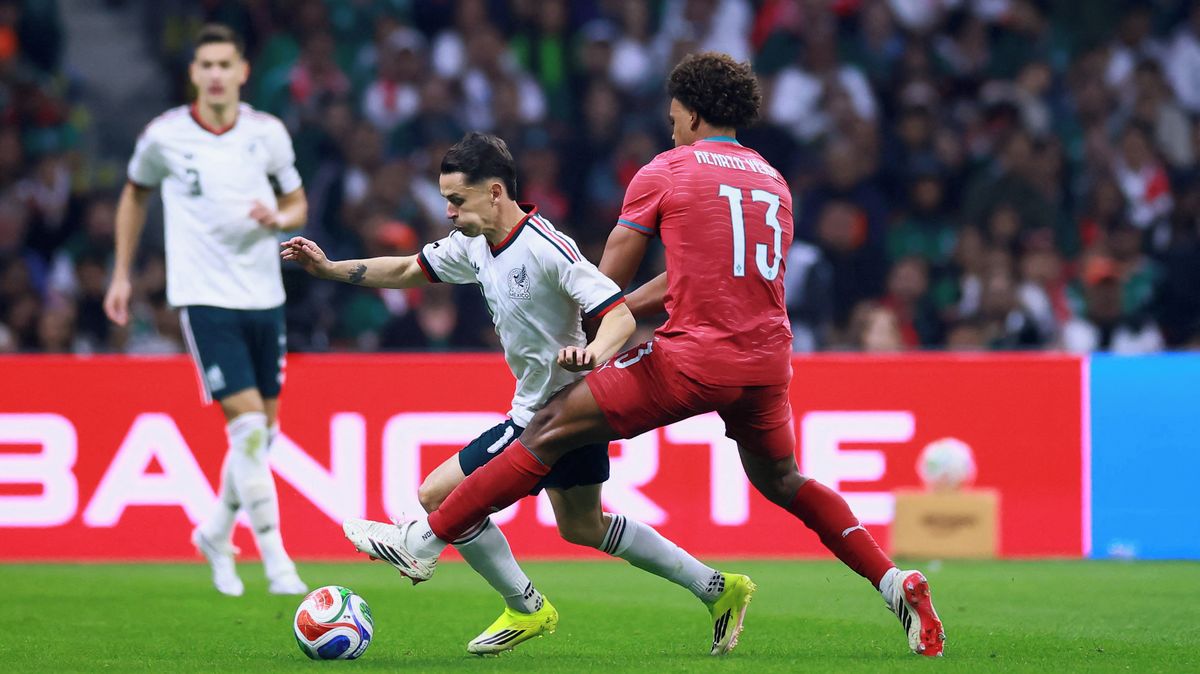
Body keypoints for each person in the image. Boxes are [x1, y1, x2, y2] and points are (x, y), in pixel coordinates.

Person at [340, 53, 946, 658]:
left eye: (674, 113)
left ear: (694, 110)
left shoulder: (666, 169)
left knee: (548, 424)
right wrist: (620, 306)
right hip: (766, 362)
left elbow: (609, 279)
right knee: (782, 480)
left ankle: (425, 539)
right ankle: (892, 581)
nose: (670, 124)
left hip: (693, 359)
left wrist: (593, 324)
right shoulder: (771, 179)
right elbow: (716, 277)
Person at [288, 132, 754, 656]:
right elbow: (405, 268)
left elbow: (618, 313)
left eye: (456, 199)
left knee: (437, 495)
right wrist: (330, 269)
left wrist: (594, 354)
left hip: (559, 411)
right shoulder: (473, 244)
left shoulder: (546, 248)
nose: (447, 211)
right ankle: (719, 589)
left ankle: (513, 599)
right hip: (554, 408)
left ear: (493, 192)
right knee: (583, 525)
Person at [103, 24, 307, 597]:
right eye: (206, 65)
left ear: (243, 72)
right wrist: (121, 273)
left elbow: (296, 201)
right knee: (245, 431)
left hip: (265, 297)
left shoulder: (267, 134)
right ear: (193, 73)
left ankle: (215, 532)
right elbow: (134, 194)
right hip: (204, 298)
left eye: (225, 64)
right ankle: (277, 561)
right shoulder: (165, 136)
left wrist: (280, 218)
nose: (216, 74)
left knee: (263, 436)